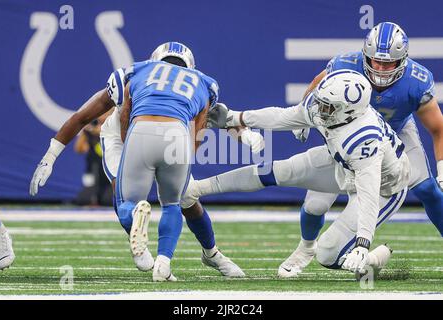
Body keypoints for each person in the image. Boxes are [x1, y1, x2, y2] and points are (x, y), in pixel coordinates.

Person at [29, 42, 264, 279]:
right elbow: (220, 117)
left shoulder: (135, 72)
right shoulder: (200, 82)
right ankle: (154, 253)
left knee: (181, 197)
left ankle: (211, 254)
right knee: (162, 197)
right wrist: (244, 136)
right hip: (125, 138)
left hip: (146, 135)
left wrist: (51, 155)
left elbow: (81, 117)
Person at [183, 70, 410, 276]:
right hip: (343, 162)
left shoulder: (363, 139)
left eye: (327, 107)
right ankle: (198, 189)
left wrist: (362, 244)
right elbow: (281, 117)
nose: (319, 109)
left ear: (348, 112)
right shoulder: (330, 108)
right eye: (321, 102)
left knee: (328, 254)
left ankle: (370, 260)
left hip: (384, 187)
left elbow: (369, 195)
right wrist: (236, 117)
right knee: (287, 178)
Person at [282, 22, 443, 276]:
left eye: (388, 64)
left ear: (402, 60)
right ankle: (305, 247)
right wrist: (303, 111)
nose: (380, 68)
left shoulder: (415, 81)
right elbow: (318, 82)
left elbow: (438, 128)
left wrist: (442, 166)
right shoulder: (345, 64)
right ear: (364, 56)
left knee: (428, 188)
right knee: (315, 205)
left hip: (397, 132)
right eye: (375, 62)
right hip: (350, 136)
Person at [73, 115, 113, 206]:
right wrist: (86, 132)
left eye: (107, 112)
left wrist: (100, 132)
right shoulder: (90, 129)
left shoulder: (116, 127)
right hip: (92, 171)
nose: (104, 115)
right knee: (83, 200)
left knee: (107, 200)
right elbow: (79, 149)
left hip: (109, 175)